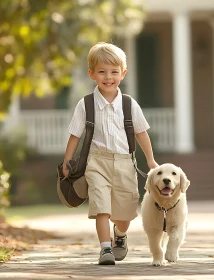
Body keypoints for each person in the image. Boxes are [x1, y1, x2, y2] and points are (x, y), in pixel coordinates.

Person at [62, 42, 159, 265]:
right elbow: (75, 134)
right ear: (92, 74)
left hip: (125, 163)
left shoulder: (128, 104)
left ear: (123, 74)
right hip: (96, 162)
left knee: (124, 216)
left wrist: (151, 160)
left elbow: (141, 133)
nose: (108, 77)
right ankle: (105, 249)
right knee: (101, 206)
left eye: (114, 72)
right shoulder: (85, 104)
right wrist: (67, 159)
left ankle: (120, 235)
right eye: (102, 72)